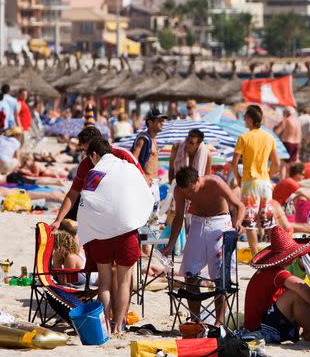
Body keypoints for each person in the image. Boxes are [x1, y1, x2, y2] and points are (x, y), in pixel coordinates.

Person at [76, 139, 153, 334]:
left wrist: (90, 230)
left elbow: (86, 203)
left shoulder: (95, 173)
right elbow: (145, 191)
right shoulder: (128, 168)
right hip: (127, 233)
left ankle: (106, 326)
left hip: (102, 236)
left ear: (94, 155)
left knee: (104, 283)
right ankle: (119, 325)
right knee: (125, 282)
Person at [164, 167, 245, 324]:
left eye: (191, 190)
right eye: (185, 192)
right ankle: (196, 320)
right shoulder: (180, 190)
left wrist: (239, 222)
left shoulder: (215, 182)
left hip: (220, 223)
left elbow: (239, 205)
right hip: (197, 223)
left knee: (221, 276)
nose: (189, 195)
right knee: (190, 273)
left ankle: (219, 323)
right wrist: (170, 245)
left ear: (197, 180)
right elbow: (179, 218)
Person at [51, 126, 144, 228]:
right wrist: (58, 220)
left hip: (124, 203)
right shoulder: (85, 164)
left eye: (88, 150)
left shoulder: (122, 155)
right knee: (66, 224)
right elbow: (73, 193)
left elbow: (141, 180)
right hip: (98, 204)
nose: (89, 154)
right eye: (86, 151)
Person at [244, 227, 310, 343]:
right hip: (261, 326)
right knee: (295, 295)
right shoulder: (276, 272)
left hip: (260, 321)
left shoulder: (268, 271)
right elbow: (300, 285)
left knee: (296, 295)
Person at [232, 104, 280, 256]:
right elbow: (276, 163)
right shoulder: (269, 137)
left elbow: (234, 163)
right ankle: (274, 253)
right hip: (265, 182)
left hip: (250, 181)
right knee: (269, 220)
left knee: (250, 222)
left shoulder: (244, 137)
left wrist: (238, 178)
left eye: (245, 117)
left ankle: (255, 256)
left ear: (250, 119)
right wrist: (268, 176)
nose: (244, 120)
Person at [131, 108, 167, 188]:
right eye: (159, 121)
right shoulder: (143, 139)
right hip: (146, 182)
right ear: (150, 122)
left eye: (163, 121)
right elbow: (133, 159)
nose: (162, 123)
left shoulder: (154, 139)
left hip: (154, 182)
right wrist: (144, 176)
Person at [274, 108, 302, 177]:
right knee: (291, 164)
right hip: (297, 143)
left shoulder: (286, 120)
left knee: (283, 165)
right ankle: (290, 180)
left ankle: (283, 182)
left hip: (288, 143)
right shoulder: (298, 121)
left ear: (286, 113)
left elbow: (278, 131)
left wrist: (273, 132)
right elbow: (301, 134)